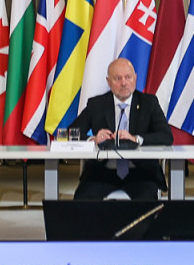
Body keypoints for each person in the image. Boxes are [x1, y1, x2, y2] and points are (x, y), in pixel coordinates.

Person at [73, 57, 172, 201]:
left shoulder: (148, 103)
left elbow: (166, 136)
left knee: (146, 203)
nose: (124, 83)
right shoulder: (97, 104)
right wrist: (93, 139)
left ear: (135, 78)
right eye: (118, 78)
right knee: (83, 200)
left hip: (141, 173)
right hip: (102, 172)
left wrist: (136, 139)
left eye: (128, 77)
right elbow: (70, 134)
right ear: (108, 82)